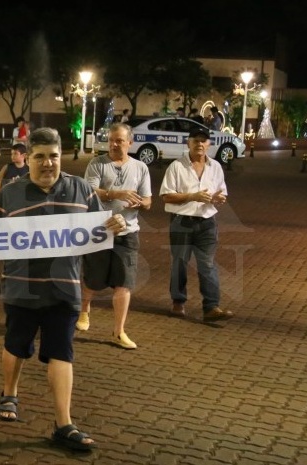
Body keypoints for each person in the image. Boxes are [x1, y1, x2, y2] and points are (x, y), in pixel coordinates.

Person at [0, 127, 126, 452]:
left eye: (53, 156)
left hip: (64, 291)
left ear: (61, 157)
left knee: (62, 352)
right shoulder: (9, 194)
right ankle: (9, 393)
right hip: (21, 290)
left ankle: (64, 423)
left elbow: (101, 227)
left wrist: (117, 225)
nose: (47, 163)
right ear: (27, 159)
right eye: (40, 157)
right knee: (16, 347)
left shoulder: (82, 190)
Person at [77, 123, 152, 349]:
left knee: (124, 283)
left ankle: (118, 331)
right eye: (111, 140)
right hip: (99, 230)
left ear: (130, 142)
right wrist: (116, 193)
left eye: (119, 140)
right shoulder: (97, 164)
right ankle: (84, 309)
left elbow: (148, 200)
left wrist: (141, 202)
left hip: (127, 233)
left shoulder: (140, 168)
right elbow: (88, 192)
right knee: (93, 279)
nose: (114, 144)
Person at [159, 126, 232, 322]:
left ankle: (211, 307)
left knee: (207, 264)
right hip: (182, 222)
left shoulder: (215, 166)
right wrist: (193, 196)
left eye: (203, 140)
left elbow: (221, 191)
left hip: (207, 222)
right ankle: (178, 301)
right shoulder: (176, 166)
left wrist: (219, 198)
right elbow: (166, 196)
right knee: (180, 263)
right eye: (195, 140)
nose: (199, 144)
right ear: (188, 143)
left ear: (209, 144)